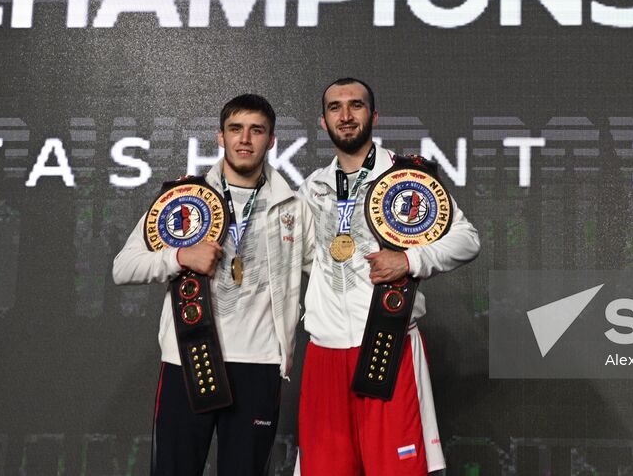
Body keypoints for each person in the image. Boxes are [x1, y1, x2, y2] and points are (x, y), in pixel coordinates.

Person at [113, 93, 313, 476]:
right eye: (236, 129)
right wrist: (179, 257)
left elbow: (326, 272)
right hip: (188, 359)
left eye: (257, 131)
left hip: (258, 365)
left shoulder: (293, 207)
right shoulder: (183, 197)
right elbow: (124, 267)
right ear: (220, 136)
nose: (245, 139)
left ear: (271, 141)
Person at [297, 77, 481, 476]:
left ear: (374, 116)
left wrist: (410, 261)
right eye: (335, 108)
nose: (346, 116)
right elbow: (306, 256)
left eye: (356, 105)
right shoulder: (312, 187)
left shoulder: (407, 176)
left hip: (386, 344)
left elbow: (467, 240)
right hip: (324, 354)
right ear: (323, 121)